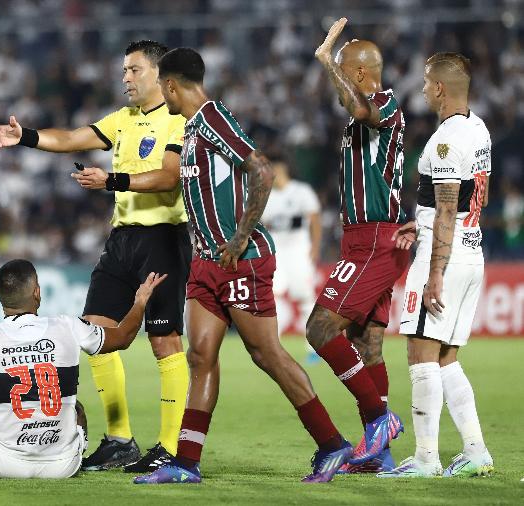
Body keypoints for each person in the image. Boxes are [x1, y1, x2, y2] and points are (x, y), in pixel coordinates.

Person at [133, 48, 353, 485]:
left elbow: (262, 170)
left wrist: (240, 236)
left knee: (265, 353)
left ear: (171, 85)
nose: (162, 94)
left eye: (162, 86)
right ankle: (187, 463)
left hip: (242, 260)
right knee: (200, 355)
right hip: (206, 262)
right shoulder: (191, 129)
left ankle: (332, 445)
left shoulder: (213, 117)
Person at [0, 40, 190, 473]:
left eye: (134, 70)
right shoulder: (122, 119)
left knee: (164, 341)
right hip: (121, 240)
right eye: (124, 71)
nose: (126, 78)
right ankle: (120, 439)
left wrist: (112, 180)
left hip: (162, 238)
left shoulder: (177, 120)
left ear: (158, 74)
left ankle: (170, 447)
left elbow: (170, 178)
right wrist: (26, 137)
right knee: (94, 335)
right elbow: (74, 138)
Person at [0, 259, 168, 478]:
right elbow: (123, 336)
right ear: (37, 292)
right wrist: (140, 301)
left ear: (0, 300)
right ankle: (77, 448)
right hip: (64, 465)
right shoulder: (68, 326)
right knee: (77, 407)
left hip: (3, 462)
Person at [379, 52, 493, 478]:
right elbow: (465, 201)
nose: (423, 89)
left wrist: (435, 273)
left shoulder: (443, 141)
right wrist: (424, 221)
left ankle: (426, 458)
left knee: (420, 353)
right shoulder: (478, 128)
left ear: (440, 88)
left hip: (443, 259)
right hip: (472, 251)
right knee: (447, 359)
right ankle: (476, 450)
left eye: (427, 82)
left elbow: (447, 210)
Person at [309, 17, 408, 472]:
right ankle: (380, 457)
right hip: (364, 239)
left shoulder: (383, 102)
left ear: (364, 74)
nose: (340, 80)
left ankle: (378, 421)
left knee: (320, 329)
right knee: (366, 342)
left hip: (373, 240)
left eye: (347, 71)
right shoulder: (361, 113)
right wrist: (333, 66)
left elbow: (360, 108)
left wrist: (328, 60)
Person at [260, 160, 322, 345]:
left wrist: (315, 247)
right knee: (273, 296)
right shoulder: (266, 195)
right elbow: (260, 225)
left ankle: (313, 347)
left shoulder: (301, 191)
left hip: (298, 250)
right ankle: (273, 344)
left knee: (304, 296)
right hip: (276, 251)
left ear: (282, 170)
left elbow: (315, 220)